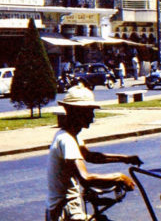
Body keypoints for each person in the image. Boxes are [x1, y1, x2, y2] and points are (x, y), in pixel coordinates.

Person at [46, 81, 142, 221]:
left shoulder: (71, 135)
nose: (92, 116)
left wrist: (125, 158)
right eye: (89, 111)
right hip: (65, 210)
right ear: (76, 113)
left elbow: (91, 156)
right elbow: (85, 178)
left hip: (66, 207)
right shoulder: (67, 140)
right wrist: (119, 177)